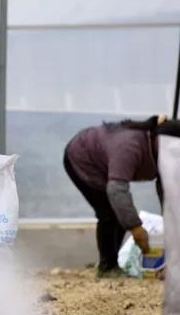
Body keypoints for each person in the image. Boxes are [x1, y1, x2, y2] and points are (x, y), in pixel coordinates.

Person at [64, 115, 166, 278]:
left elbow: (167, 191)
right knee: (109, 214)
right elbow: (116, 189)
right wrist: (136, 228)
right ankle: (107, 267)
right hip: (82, 159)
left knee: (118, 213)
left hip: (106, 164)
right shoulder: (129, 146)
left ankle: (111, 262)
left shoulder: (162, 152)